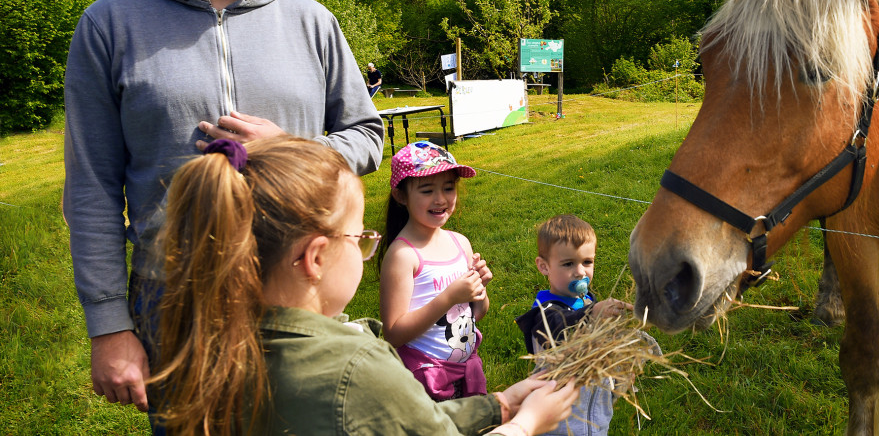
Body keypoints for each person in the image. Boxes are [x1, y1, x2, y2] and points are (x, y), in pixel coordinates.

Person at [62, 0, 385, 415]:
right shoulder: (109, 25)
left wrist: (291, 149)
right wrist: (108, 325)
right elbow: (91, 188)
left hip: (298, 291)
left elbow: (367, 134)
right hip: (174, 302)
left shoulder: (312, 20)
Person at [148, 135, 577, 435]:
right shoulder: (354, 368)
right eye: (360, 238)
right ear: (315, 258)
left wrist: (497, 405)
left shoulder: (212, 345)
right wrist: (524, 424)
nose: (369, 246)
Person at [378, 141, 492, 401]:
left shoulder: (460, 243)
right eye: (427, 190)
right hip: (426, 380)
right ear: (401, 196)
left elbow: (477, 314)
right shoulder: (403, 256)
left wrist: (479, 291)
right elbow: (394, 333)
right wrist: (448, 297)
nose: (440, 199)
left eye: (449, 188)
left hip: (465, 370)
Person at [515, 214, 641, 436]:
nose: (580, 272)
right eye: (568, 264)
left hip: (595, 410)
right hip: (559, 419)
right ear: (544, 267)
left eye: (587, 262)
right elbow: (559, 331)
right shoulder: (543, 313)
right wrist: (592, 313)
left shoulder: (586, 301)